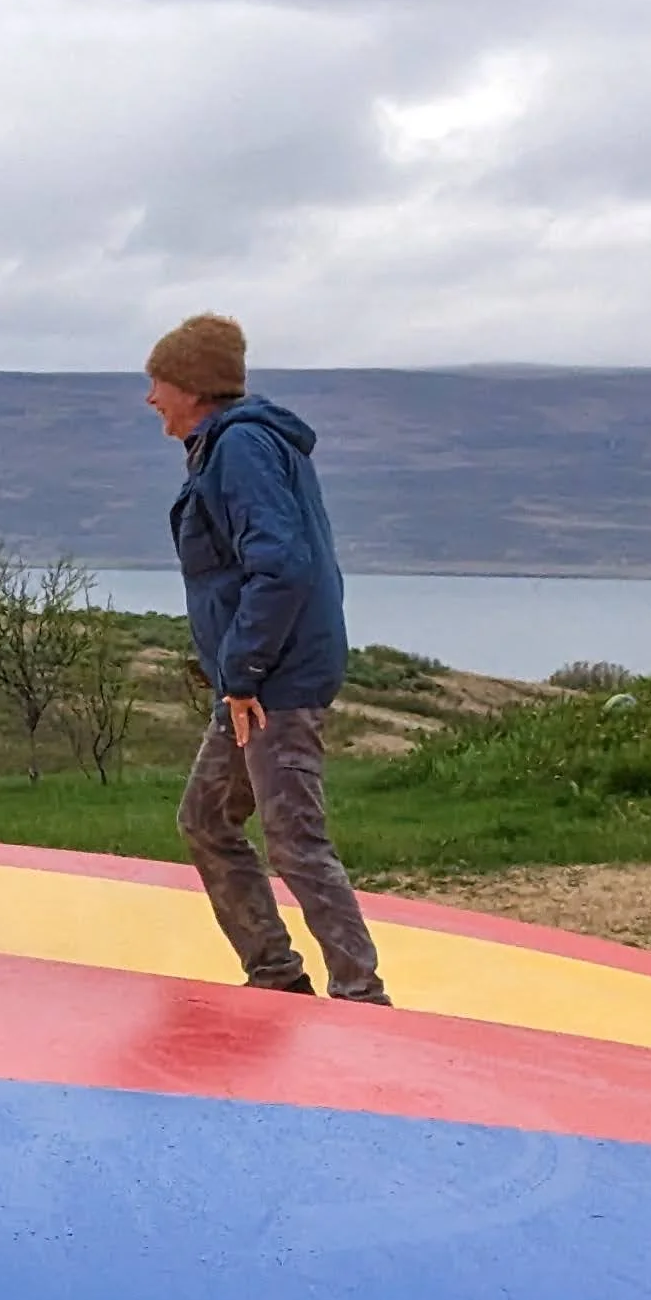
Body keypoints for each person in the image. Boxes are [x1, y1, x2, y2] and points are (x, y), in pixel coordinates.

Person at [147, 314, 392, 1006]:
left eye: (157, 382)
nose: (150, 399)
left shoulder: (242, 449)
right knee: (207, 817)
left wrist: (246, 671)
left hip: (272, 683)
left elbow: (280, 567)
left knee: (294, 839)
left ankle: (361, 994)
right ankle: (277, 974)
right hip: (254, 682)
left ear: (192, 387)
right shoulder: (229, 448)